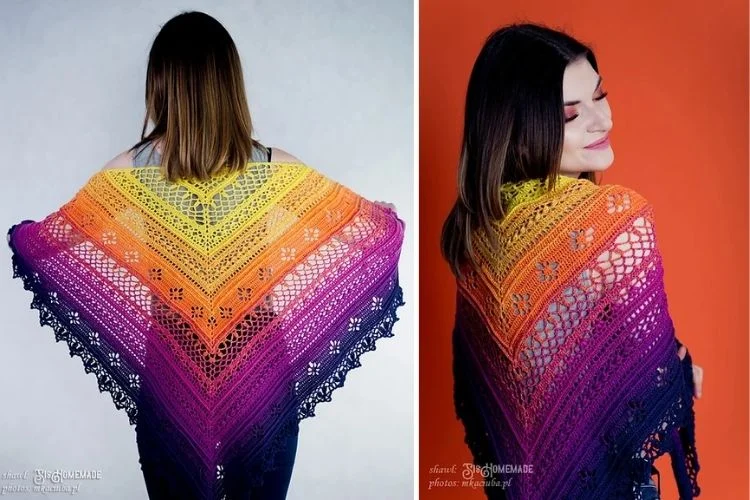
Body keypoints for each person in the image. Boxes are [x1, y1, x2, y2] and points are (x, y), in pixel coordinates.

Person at [7, 10, 405, 500]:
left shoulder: (127, 172)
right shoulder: (275, 167)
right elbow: (370, 229)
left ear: (161, 87)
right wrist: (385, 215)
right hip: (259, 378)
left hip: (171, 378)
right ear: (229, 85)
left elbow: (45, 245)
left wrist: (22, 233)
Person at [441, 23, 702, 499]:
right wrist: (679, 370)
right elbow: (651, 398)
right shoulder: (611, 217)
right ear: (519, 132)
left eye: (600, 96)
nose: (601, 120)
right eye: (569, 115)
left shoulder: (479, 231)